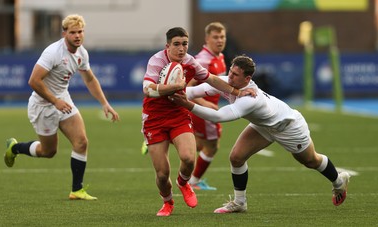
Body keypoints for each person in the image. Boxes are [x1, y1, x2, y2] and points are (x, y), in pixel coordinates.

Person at [171, 55, 350, 213]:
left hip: (288, 126)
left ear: (247, 79)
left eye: (235, 75)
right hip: (263, 125)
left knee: (311, 160)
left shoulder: (251, 99)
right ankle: (240, 203)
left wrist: (187, 104)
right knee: (236, 157)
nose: (230, 76)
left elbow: (218, 117)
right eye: (231, 72)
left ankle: (338, 182)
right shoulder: (227, 82)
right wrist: (166, 92)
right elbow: (194, 91)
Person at [4, 14, 120, 201]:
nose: (77, 36)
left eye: (80, 32)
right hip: (43, 105)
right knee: (48, 152)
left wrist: (104, 103)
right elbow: (34, 81)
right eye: (72, 32)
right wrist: (54, 101)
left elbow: (89, 79)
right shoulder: (53, 53)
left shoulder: (82, 53)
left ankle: (76, 190)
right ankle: (15, 148)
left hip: (64, 100)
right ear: (64, 33)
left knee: (81, 142)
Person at [141, 27, 255, 216]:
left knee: (188, 158)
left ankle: (184, 183)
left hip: (178, 114)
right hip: (154, 119)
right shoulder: (157, 60)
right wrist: (176, 86)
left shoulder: (190, 62)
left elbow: (211, 79)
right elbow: (148, 90)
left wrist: (237, 92)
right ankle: (168, 202)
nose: (181, 48)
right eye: (176, 44)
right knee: (162, 174)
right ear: (167, 46)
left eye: (184, 44)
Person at [187, 22, 227, 191]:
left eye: (222, 37)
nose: (220, 40)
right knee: (211, 146)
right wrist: (204, 103)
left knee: (200, 145)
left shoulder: (219, 56)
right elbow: (187, 87)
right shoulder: (204, 60)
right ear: (207, 38)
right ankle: (193, 182)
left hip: (209, 108)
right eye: (215, 37)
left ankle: (161, 138)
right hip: (202, 109)